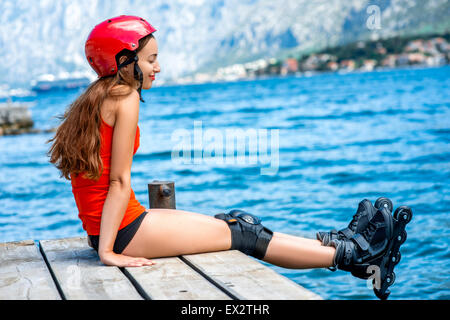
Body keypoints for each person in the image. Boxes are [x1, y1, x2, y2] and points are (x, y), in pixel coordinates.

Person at [47, 15, 412, 300]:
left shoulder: (96, 97)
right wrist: (109, 252)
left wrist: (102, 241)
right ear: (126, 61)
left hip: (118, 226)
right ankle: (354, 255)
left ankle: (341, 242)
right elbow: (118, 181)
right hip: (123, 232)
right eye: (152, 59)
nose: (158, 67)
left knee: (234, 223)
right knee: (244, 233)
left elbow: (98, 183)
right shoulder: (124, 98)